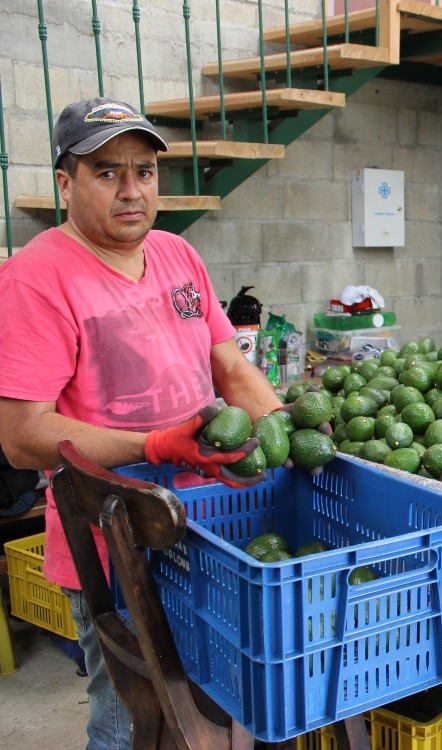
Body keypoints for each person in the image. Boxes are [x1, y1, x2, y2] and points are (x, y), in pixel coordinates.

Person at [0, 97, 283, 749]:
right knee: (133, 715)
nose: (132, 190)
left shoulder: (179, 256)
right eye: (107, 172)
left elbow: (232, 371)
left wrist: (284, 429)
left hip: (200, 522)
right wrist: (153, 443)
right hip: (111, 534)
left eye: (145, 171)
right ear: (65, 183)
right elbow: (20, 438)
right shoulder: (35, 280)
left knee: (209, 699)